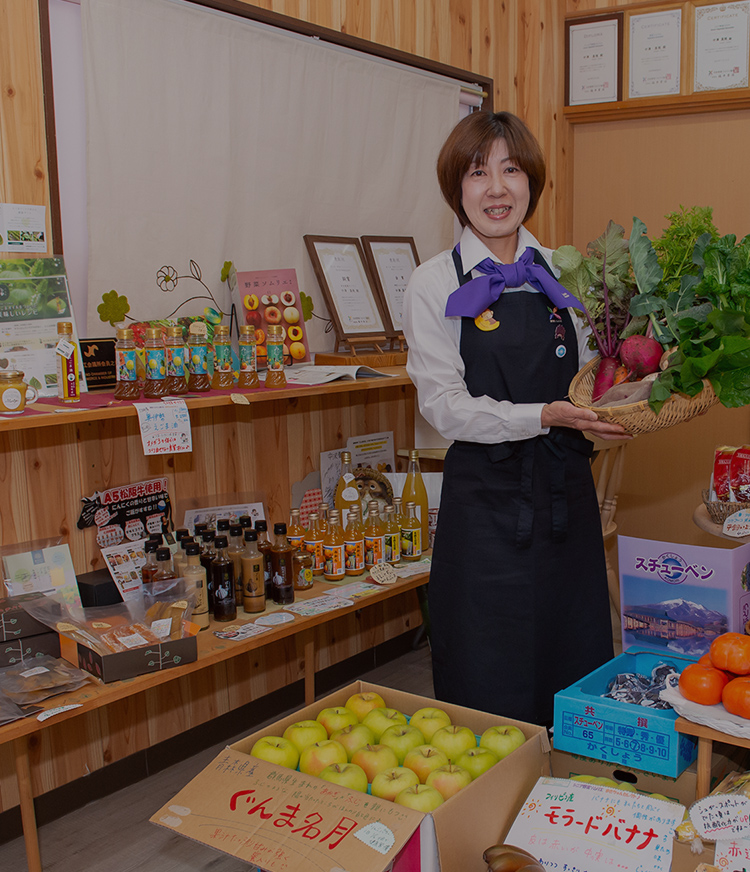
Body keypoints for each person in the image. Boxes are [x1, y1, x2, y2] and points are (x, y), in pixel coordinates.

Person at [402, 111, 629, 727]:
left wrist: (618, 406)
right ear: (458, 187)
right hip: (485, 504)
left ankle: (568, 808)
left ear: (532, 182)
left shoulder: (566, 269)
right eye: (478, 173)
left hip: (565, 498)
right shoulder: (433, 282)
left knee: (574, 659)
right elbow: (443, 405)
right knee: (485, 668)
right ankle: (485, 811)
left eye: (511, 169)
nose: (496, 188)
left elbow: (594, 377)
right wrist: (545, 415)